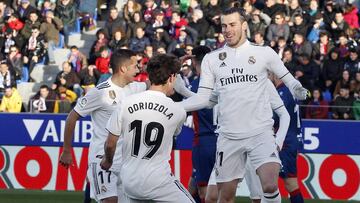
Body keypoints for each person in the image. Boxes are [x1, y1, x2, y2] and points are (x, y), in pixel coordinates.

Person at [178, 7, 308, 203]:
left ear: (244, 25)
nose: (227, 29)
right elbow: (205, 99)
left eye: (232, 24)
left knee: (270, 185)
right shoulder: (212, 60)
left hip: (261, 134)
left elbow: (288, 79)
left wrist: (297, 87)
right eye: (224, 26)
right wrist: (178, 102)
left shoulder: (264, 53)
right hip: (228, 138)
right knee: (223, 196)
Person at [100, 54, 195, 203]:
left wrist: (107, 161)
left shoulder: (126, 103)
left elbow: (110, 143)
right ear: (171, 78)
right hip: (158, 181)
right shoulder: (178, 111)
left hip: (129, 181)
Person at [59, 49, 146, 203]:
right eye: (135, 66)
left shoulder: (136, 88)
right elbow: (72, 117)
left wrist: (175, 65)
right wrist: (66, 150)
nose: (138, 69)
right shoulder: (100, 92)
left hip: (126, 163)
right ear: (123, 68)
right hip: (103, 160)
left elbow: (158, 80)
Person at [205, 79, 290, 203]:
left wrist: (278, 142)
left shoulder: (263, 81)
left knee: (260, 196)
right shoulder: (224, 79)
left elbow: (284, 114)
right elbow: (204, 101)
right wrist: (182, 90)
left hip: (256, 144)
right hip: (230, 144)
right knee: (212, 197)